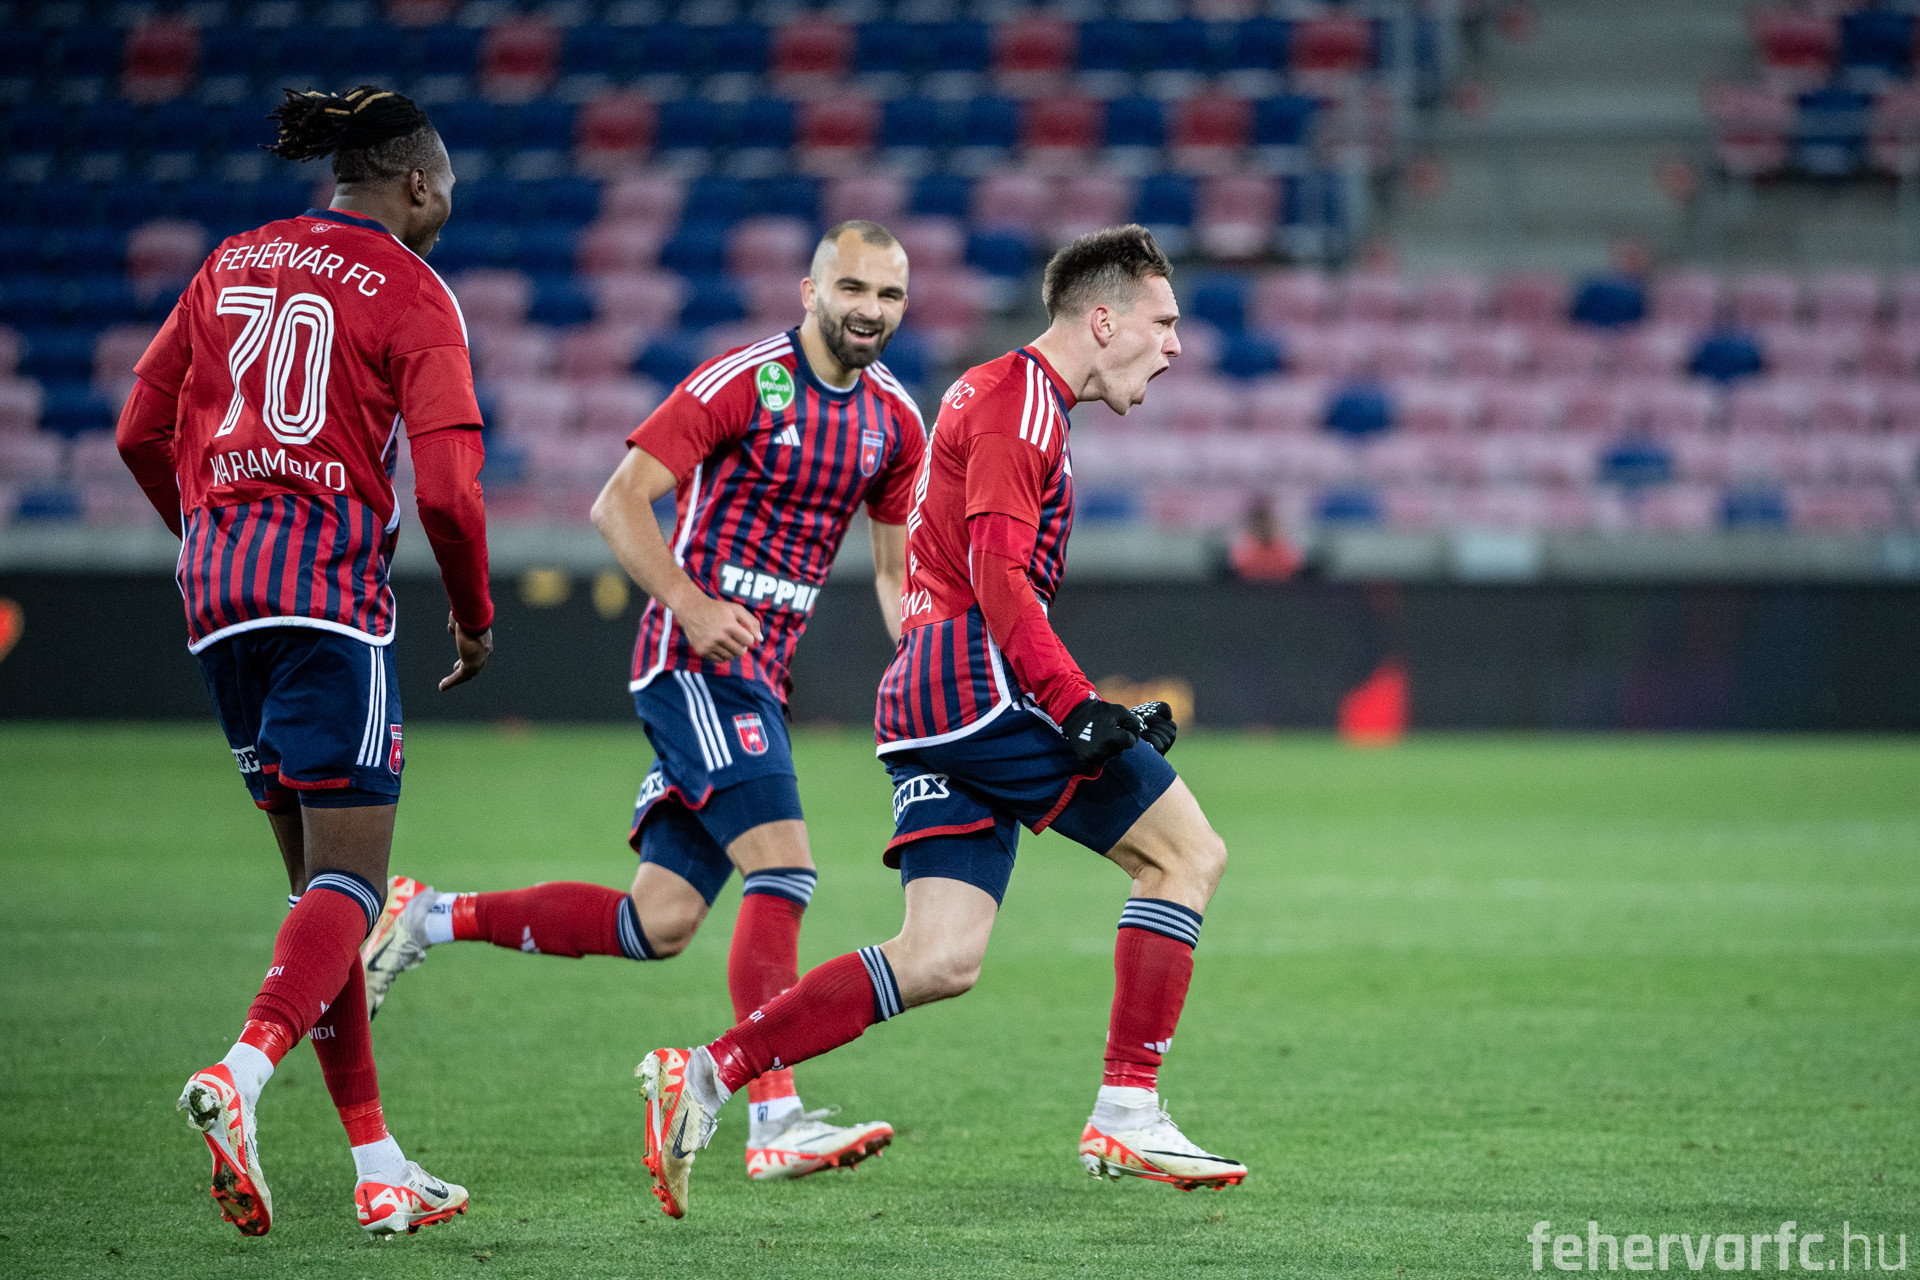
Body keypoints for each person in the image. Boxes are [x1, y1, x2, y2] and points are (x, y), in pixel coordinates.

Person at [634, 225, 1245, 1220]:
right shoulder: (1020, 403)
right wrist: (1070, 700)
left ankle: (701, 1075)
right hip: (978, 679)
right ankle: (1130, 1103)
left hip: (930, 691)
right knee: (1186, 854)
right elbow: (999, 575)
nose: (1174, 344)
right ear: (1106, 318)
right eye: (1164, 321)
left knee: (939, 958)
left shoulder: (1002, 394)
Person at [363, 221, 924, 1183]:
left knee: (655, 923)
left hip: (759, 678)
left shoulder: (896, 422)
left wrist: (921, 652)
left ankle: (426, 917)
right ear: (810, 290)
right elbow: (619, 501)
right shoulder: (742, 382)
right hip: (690, 662)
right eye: (854, 289)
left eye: (889, 296)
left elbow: (892, 566)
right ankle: (774, 1119)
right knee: (784, 871)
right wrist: (693, 604)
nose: (869, 310)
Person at [116, 86, 494, 1238]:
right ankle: (239, 1073)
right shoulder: (417, 291)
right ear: (417, 183)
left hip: (219, 591)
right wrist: (474, 618)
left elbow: (140, 426)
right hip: (329, 597)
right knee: (354, 885)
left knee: (315, 897)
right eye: (449, 189)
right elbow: (447, 488)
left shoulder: (229, 261)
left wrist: (213, 537)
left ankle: (379, 1164)